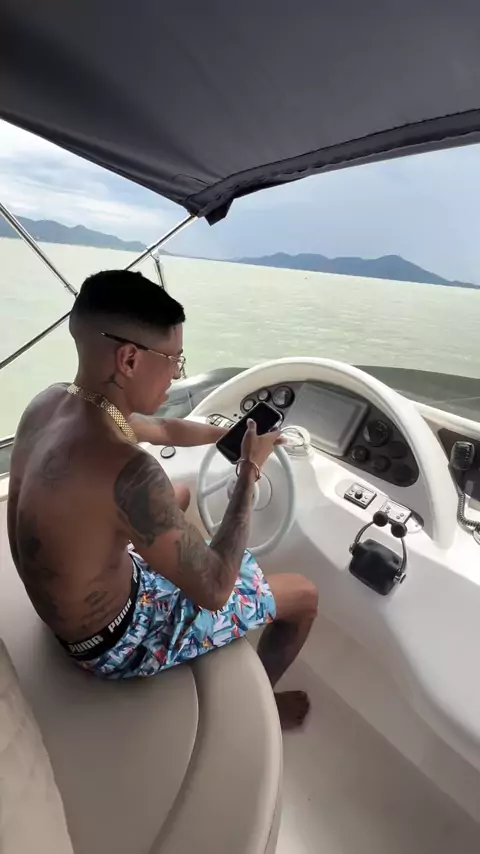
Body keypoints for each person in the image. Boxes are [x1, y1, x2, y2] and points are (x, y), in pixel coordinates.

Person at [7, 270, 318, 729]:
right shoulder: (129, 471)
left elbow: (167, 429)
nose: (177, 373)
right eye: (174, 359)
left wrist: (234, 437)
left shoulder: (51, 403)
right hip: (112, 643)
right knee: (304, 595)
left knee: (181, 494)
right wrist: (248, 471)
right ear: (130, 359)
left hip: (68, 610)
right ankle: (265, 709)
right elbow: (215, 590)